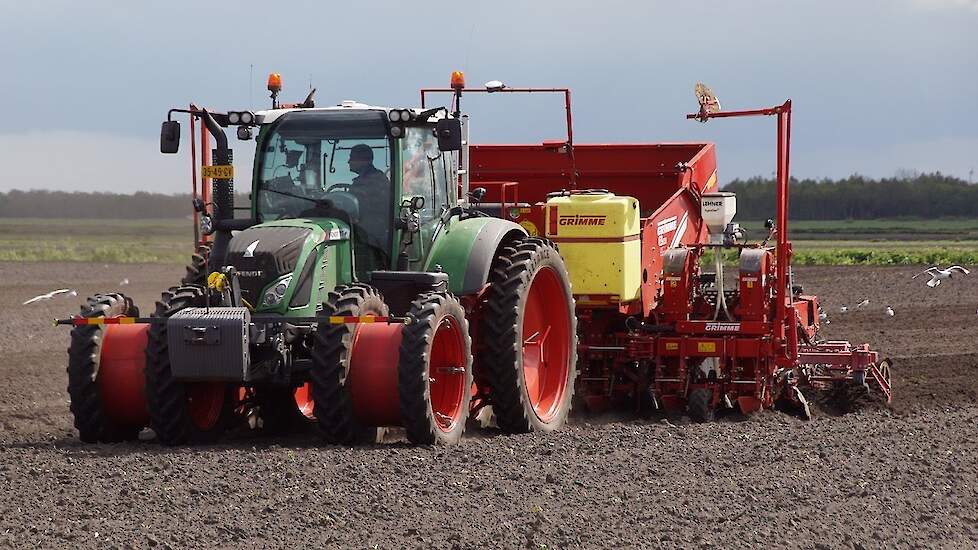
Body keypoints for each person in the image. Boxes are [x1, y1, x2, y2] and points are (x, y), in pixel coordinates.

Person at [347, 143, 392, 270]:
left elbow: (358, 203)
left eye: (352, 158)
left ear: (364, 160)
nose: (348, 161)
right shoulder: (364, 180)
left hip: (371, 234)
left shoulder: (374, 180)